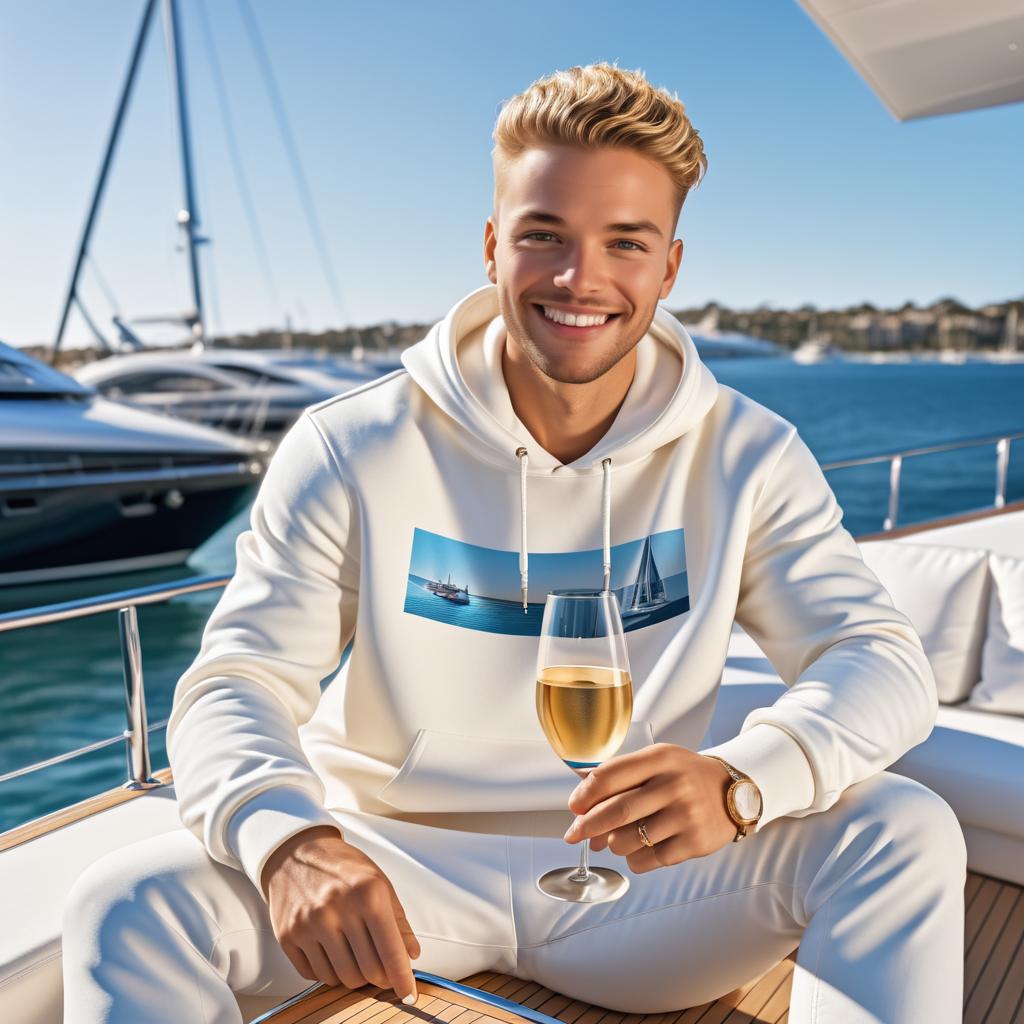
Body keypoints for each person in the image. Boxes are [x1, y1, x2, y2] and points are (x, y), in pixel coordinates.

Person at [62, 62, 966, 1024]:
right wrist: (292, 844)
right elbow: (235, 682)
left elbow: (880, 659)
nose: (583, 279)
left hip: (639, 883)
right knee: (123, 906)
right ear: (494, 247)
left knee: (903, 827)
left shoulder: (748, 454)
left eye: (627, 243)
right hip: (389, 867)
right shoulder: (351, 444)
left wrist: (746, 781)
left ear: (670, 267)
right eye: (546, 236)